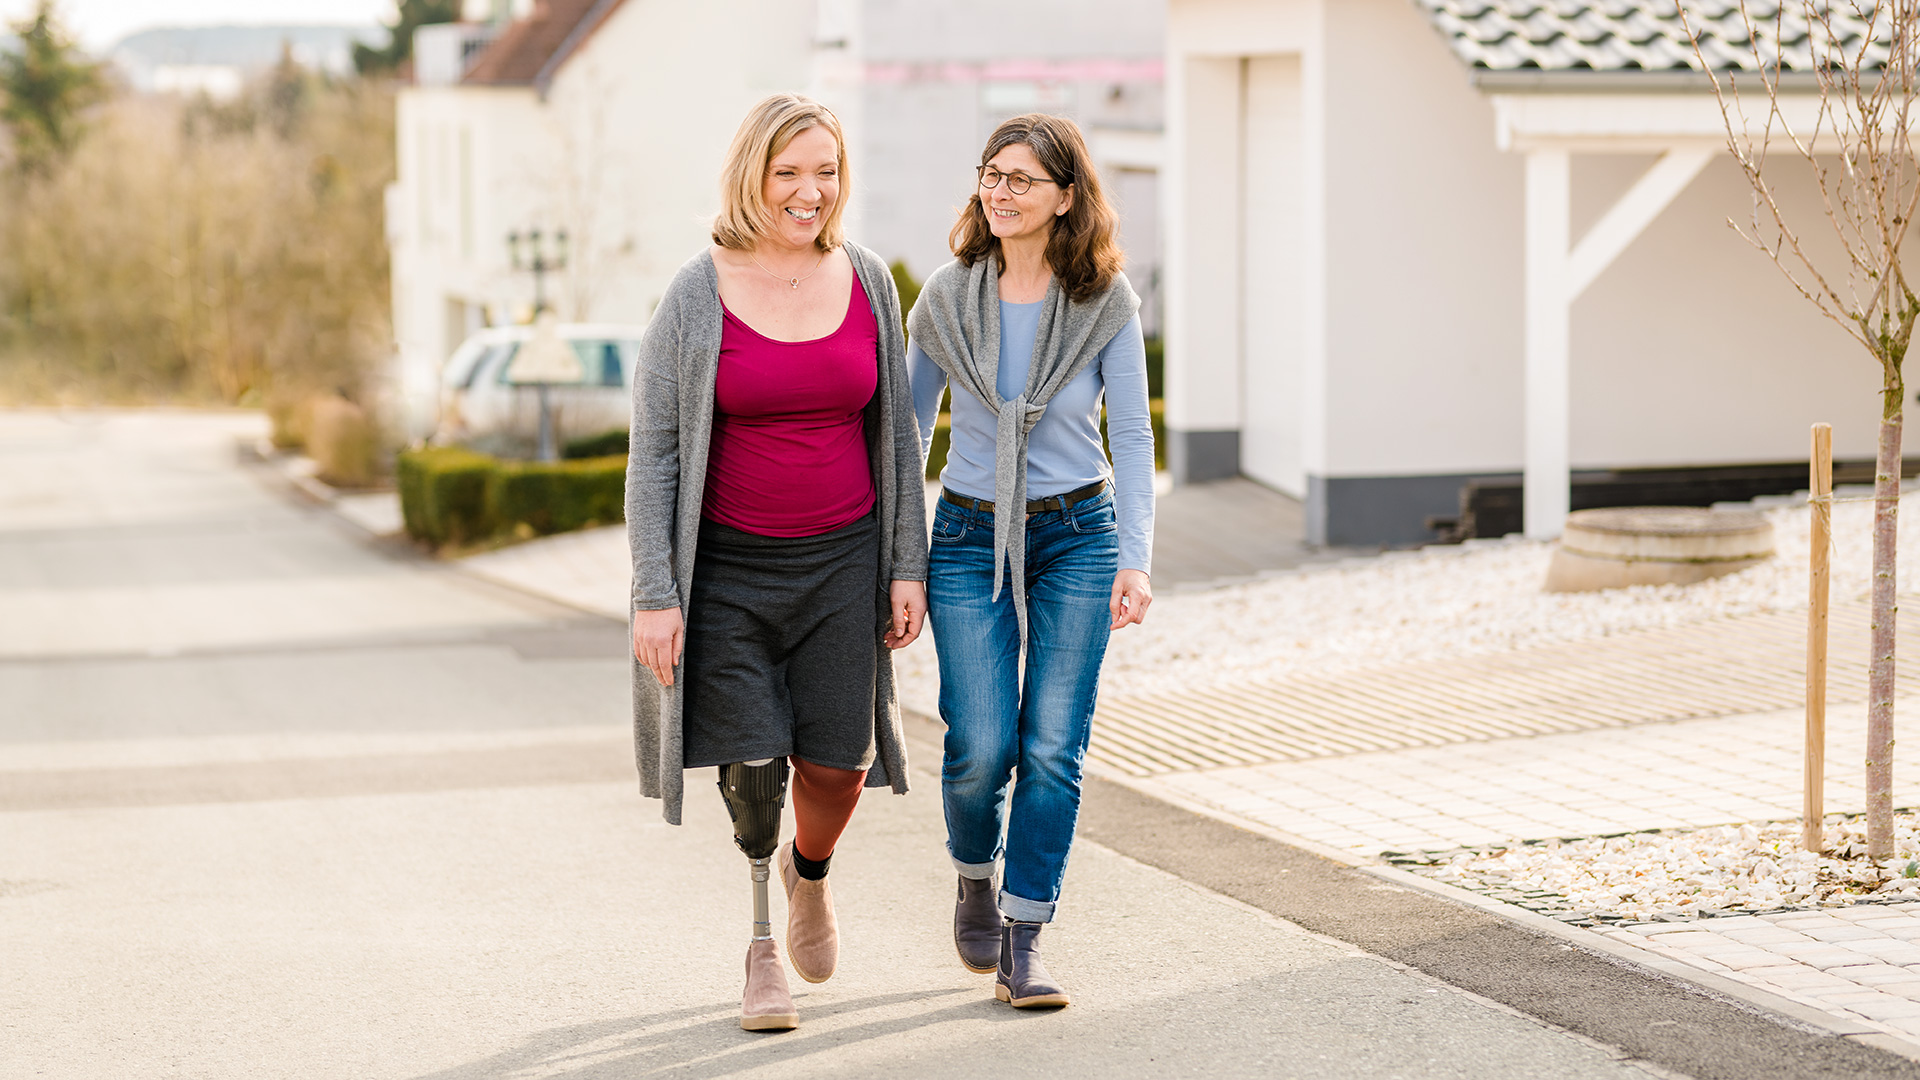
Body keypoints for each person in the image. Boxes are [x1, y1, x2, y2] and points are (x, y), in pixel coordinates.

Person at [624, 93, 929, 1033]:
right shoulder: (695, 290)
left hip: (843, 564)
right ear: (752, 175)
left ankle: (811, 875)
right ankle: (762, 948)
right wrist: (654, 592)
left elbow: (899, 434)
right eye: (789, 172)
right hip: (728, 572)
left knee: (838, 765)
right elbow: (658, 449)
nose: (810, 191)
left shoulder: (869, 280)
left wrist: (905, 565)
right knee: (754, 765)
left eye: (826, 172)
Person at [906, 113, 1153, 1009]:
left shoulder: (1104, 304)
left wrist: (1137, 557)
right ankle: (974, 872)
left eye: (1022, 179)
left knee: (1053, 746)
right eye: (991, 175)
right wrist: (900, 562)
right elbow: (905, 435)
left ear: (1065, 197)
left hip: (1079, 537)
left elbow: (1130, 433)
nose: (1001, 192)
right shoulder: (943, 297)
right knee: (980, 745)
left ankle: (1024, 934)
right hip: (970, 537)